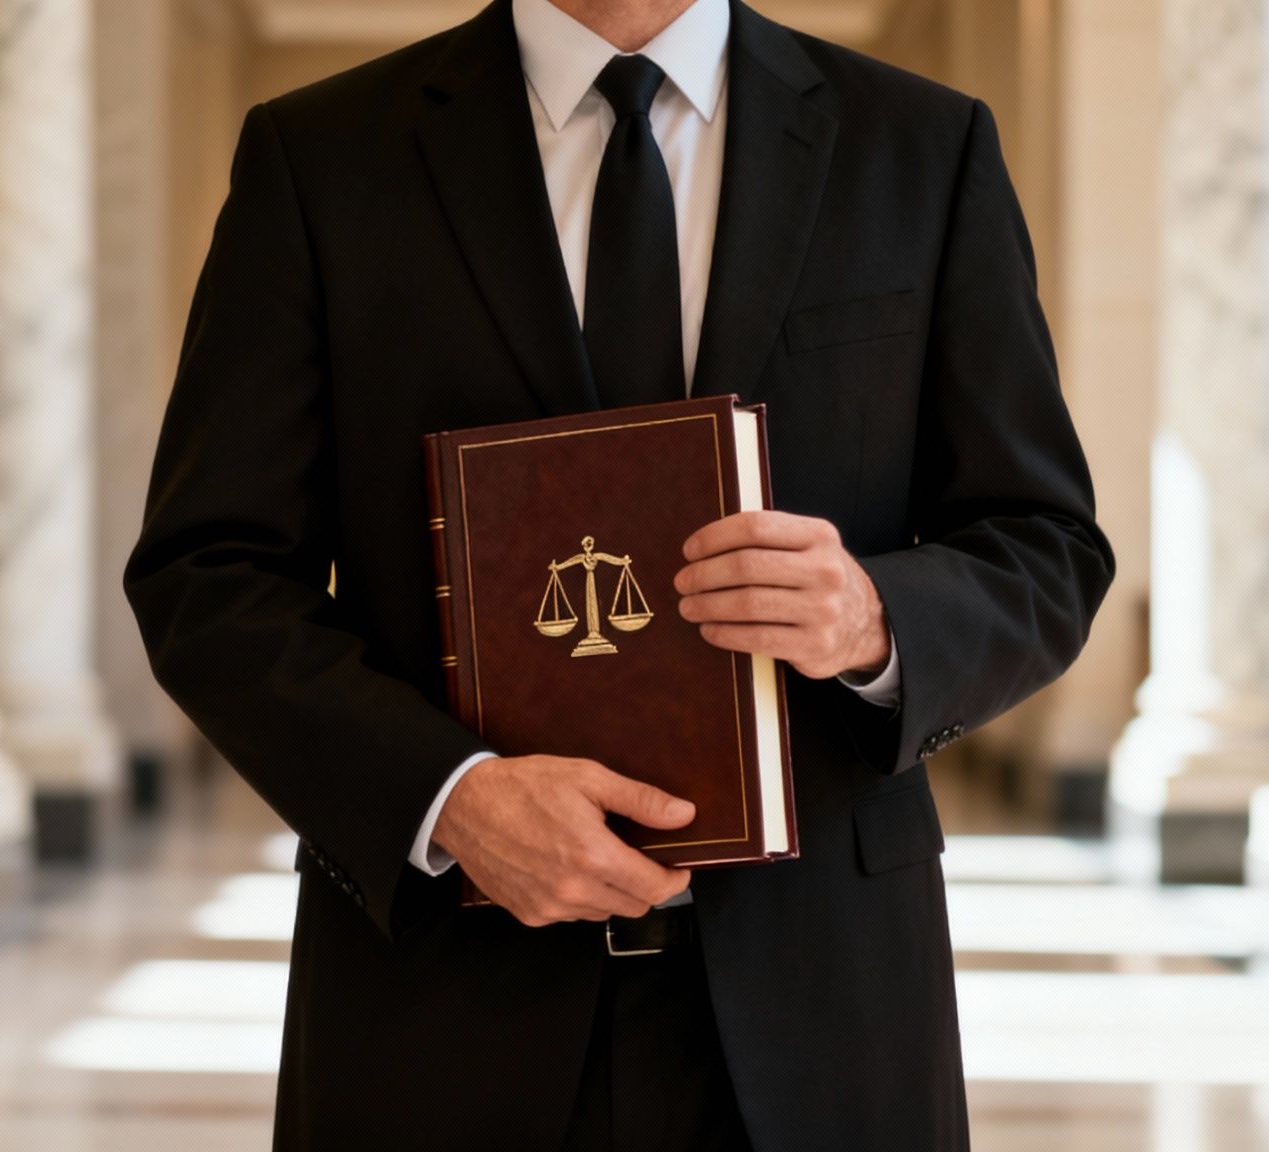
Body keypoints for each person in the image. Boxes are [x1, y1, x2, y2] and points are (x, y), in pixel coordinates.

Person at [125, 0, 1113, 1147]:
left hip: (822, 1010)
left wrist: (875, 618)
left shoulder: (920, 149)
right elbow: (209, 574)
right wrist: (447, 799)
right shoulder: (322, 158)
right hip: (438, 1004)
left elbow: (1044, 545)